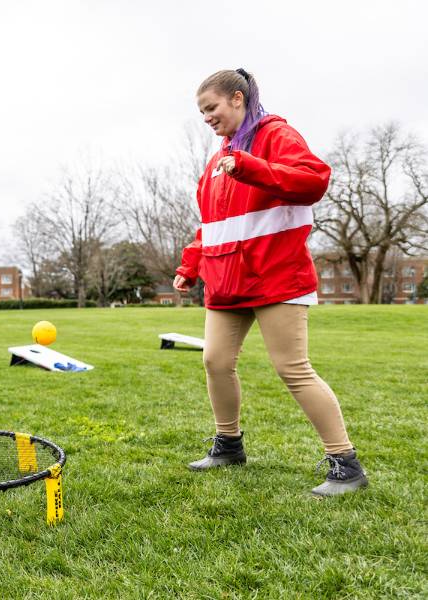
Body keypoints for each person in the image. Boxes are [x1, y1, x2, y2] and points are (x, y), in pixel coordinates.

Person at [175, 69, 367, 497]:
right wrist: (190, 266)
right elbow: (211, 226)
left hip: (276, 277)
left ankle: (346, 464)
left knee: (292, 369)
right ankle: (228, 445)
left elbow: (313, 180)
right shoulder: (216, 163)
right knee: (215, 362)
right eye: (201, 111)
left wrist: (248, 167)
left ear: (238, 99)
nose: (207, 117)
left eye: (212, 107)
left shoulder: (276, 136)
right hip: (226, 282)